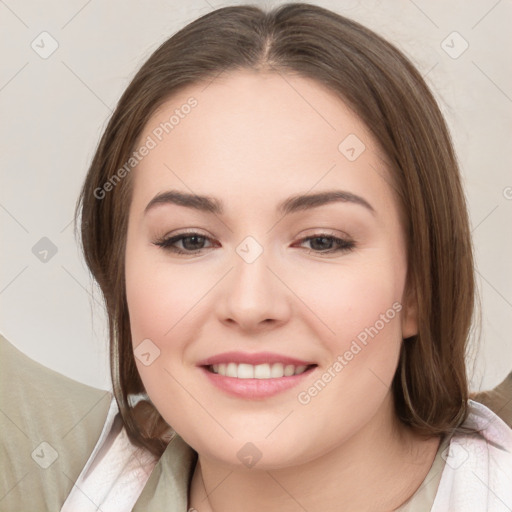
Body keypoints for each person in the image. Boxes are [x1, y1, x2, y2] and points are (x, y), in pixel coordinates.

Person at [1, 3, 511, 511]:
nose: (249, 304)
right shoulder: (54, 473)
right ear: (121, 271)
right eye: (190, 241)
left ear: (419, 285)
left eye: (322, 241)